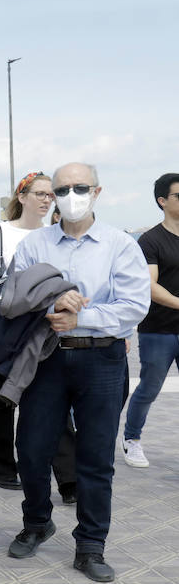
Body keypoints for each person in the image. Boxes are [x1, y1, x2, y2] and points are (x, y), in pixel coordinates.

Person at [5, 164, 149, 582]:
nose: (70, 195)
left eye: (79, 187)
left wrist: (80, 318)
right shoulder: (35, 244)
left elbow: (134, 305)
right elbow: (16, 297)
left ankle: (90, 545)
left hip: (101, 360)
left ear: (97, 191)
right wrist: (54, 308)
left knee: (95, 458)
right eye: (62, 188)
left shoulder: (121, 245)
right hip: (46, 358)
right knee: (32, 448)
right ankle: (36, 522)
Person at [0, 172, 78, 497]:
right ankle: (2, 468)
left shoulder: (57, 235)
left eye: (51, 195)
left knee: (56, 402)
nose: (46, 199)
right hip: (9, 330)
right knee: (3, 399)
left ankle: (69, 479)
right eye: (39, 193)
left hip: (46, 332)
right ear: (21, 197)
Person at [122, 172, 179, 468]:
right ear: (162, 201)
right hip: (159, 329)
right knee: (150, 386)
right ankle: (132, 438)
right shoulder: (150, 240)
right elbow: (150, 285)